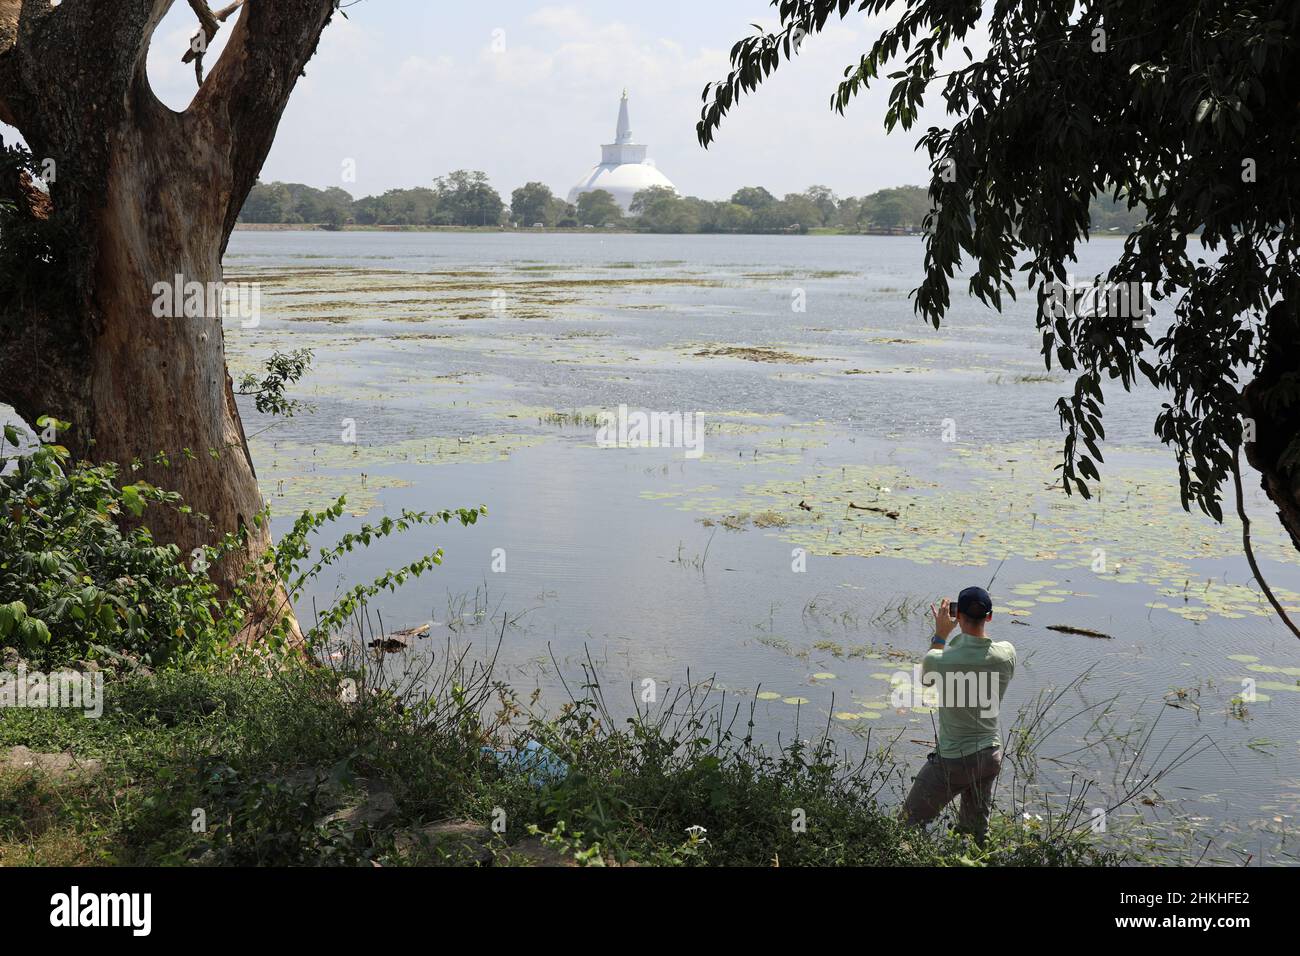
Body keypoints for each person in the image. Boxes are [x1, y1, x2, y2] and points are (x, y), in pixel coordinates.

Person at [901, 585, 1016, 842]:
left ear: (958, 616)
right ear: (989, 617)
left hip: (954, 761)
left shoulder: (941, 658)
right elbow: (987, 651)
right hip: (989, 757)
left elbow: (928, 678)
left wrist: (941, 634)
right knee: (975, 834)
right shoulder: (1007, 653)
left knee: (907, 824)